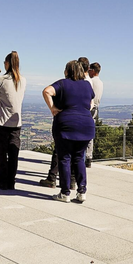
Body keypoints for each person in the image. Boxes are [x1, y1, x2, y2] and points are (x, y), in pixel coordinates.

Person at [43, 60, 95, 202]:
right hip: (86, 125)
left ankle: (65, 192)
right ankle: (82, 191)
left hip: (66, 125)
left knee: (65, 158)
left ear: (67, 71)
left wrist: (53, 108)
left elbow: (47, 91)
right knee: (79, 158)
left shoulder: (62, 83)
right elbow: (91, 103)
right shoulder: (86, 85)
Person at [0, 51, 26, 190]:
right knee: (13, 153)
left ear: (7, 63)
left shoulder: (1, 79)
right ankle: (11, 180)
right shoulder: (23, 80)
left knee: (1, 153)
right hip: (17, 122)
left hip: (2, 121)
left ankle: (3, 179)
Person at [85, 62, 103, 167]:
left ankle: (85, 157)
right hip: (96, 109)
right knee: (90, 134)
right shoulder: (101, 82)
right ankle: (89, 157)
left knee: (85, 133)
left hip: (89, 108)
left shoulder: (91, 82)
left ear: (92, 70)